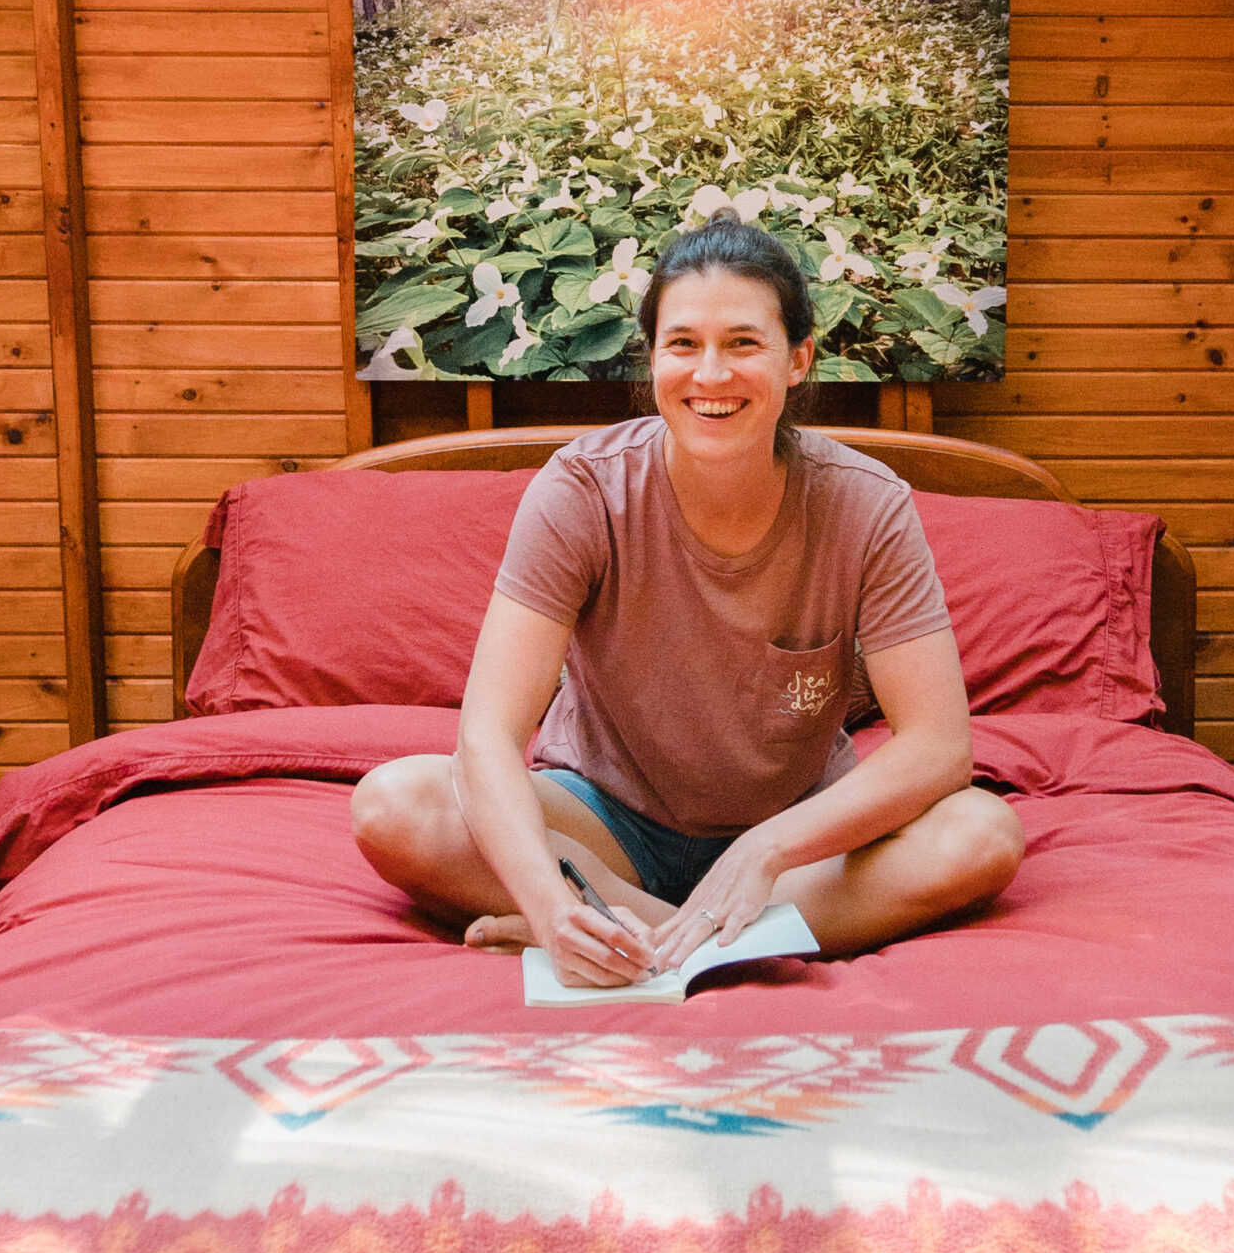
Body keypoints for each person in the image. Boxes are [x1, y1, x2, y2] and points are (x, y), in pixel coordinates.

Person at [351, 213, 1025, 988]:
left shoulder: (867, 505)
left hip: (798, 844)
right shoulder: (583, 490)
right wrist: (546, 904)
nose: (710, 374)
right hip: (600, 824)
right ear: (653, 357)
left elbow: (939, 746)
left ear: (798, 358)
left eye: (743, 343)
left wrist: (762, 851)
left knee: (982, 834)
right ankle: (689, 942)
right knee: (396, 806)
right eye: (683, 345)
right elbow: (489, 733)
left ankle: (637, 938)